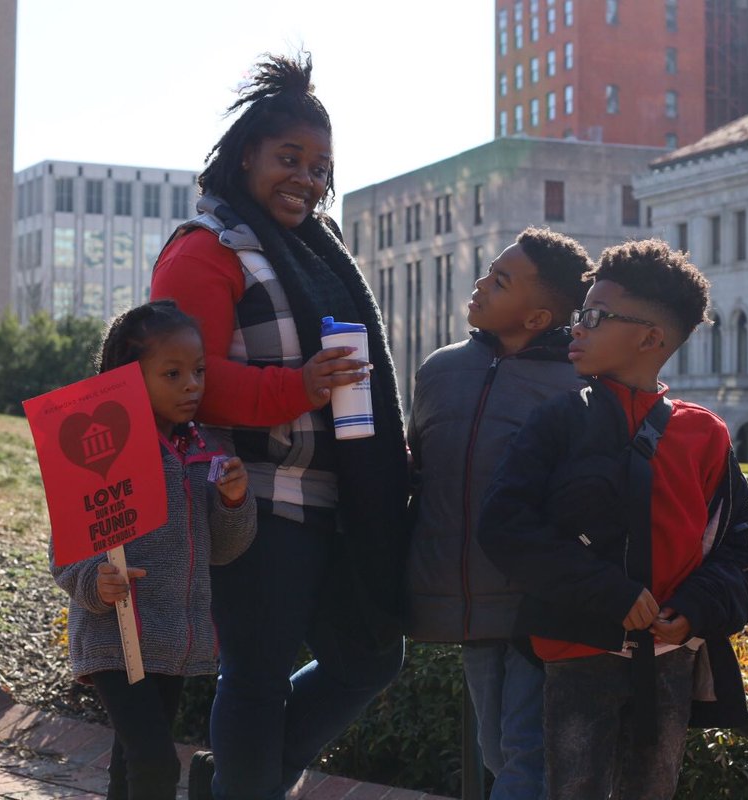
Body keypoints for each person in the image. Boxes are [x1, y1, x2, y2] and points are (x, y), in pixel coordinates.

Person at [149, 52, 409, 800]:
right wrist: (297, 387)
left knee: (371, 657)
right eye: (289, 159)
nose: (307, 178)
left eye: (321, 166)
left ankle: (234, 785)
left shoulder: (316, 251)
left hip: (336, 500)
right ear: (243, 159)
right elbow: (181, 385)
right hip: (253, 502)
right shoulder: (206, 249)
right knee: (256, 679)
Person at [478, 239, 748, 800]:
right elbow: (505, 525)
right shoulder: (557, 421)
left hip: (671, 660)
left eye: (594, 317)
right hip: (576, 654)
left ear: (651, 338)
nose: (575, 328)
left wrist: (695, 611)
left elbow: (739, 547)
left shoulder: (706, 434)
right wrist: (607, 592)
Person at [404, 227, 592, 798]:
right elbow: (421, 468)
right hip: (467, 604)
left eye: (501, 281)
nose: (482, 284)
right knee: (497, 751)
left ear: (537, 318)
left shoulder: (577, 383)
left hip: (537, 604)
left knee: (524, 760)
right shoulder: (440, 369)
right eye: (489, 271)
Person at [51, 300, 257, 799]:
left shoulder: (206, 450)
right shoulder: (102, 448)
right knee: (156, 765)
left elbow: (224, 551)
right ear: (126, 378)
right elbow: (64, 552)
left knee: (131, 767)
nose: (192, 384)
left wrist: (234, 502)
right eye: (173, 373)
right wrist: (93, 580)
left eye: (198, 371)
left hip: (172, 639)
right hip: (113, 635)